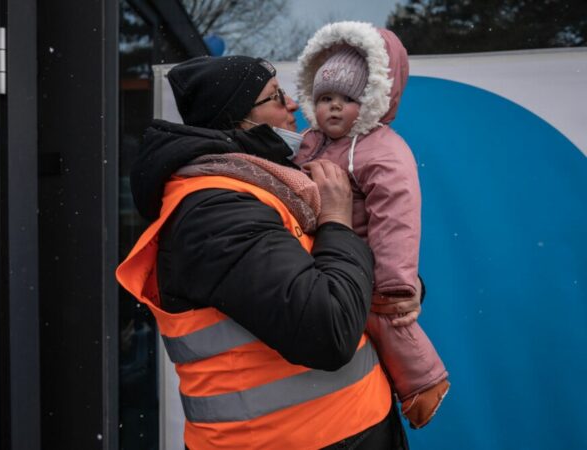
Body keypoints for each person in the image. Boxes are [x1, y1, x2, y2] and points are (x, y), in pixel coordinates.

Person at [117, 55, 418, 449]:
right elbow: (328, 330)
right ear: (238, 119)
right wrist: (337, 220)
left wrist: (396, 293)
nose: (294, 103)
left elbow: (335, 281)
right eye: (275, 96)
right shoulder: (215, 211)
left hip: (346, 432)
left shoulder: (274, 189)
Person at [294, 21, 450, 429]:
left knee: (388, 320)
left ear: (373, 99)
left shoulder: (382, 150)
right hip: (328, 257)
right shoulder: (312, 141)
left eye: (347, 98)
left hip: (366, 259)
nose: (332, 107)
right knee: (360, 329)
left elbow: (396, 218)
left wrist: (396, 281)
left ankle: (425, 382)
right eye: (325, 97)